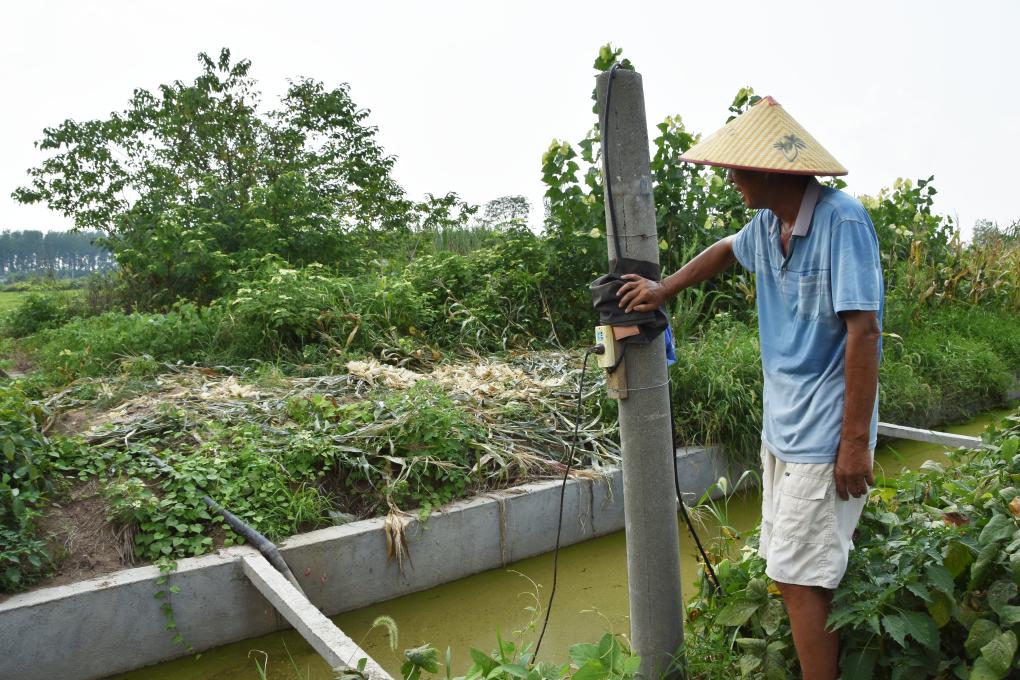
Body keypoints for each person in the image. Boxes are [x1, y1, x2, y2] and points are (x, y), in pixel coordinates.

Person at [616, 96, 883, 680]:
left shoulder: (842, 221)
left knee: (796, 574)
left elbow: (864, 331)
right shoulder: (770, 226)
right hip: (782, 429)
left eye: (736, 169)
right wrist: (664, 290)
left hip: (825, 433)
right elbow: (723, 252)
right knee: (793, 569)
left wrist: (855, 443)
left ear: (768, 170)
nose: (731, 180)